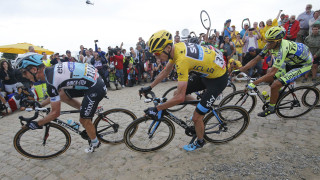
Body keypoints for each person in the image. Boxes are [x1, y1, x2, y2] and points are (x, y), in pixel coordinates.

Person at [140, 30, 227, 152]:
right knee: (178, 93)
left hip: (218, 80)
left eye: (157, 53)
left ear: (168, 47)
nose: (156, 56)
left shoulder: (182, 60)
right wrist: (150, 87)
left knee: (196, 117)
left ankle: (200, 141)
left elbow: (180, 99)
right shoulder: (176, 49)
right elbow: (165, 72)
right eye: (154, 54)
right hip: (207, 74)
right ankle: (202, 107)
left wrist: (157, 108)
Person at [15, 54, 107, 153]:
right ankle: (86, 109)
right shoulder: (50, 72)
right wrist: (40, 104)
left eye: (24, 72)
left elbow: (55, 113)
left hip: (96, 87)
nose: (24, 76)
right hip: (92, 79)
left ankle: (95, 142)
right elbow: (56, 94)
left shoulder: (51, 81)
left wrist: (38, 123)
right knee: (62, 94)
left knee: (84, 120)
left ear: (34, 70)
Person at [237, 26, 313, 117]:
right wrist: (240, 69)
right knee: (269, 73)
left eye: (270, 41)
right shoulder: (271, 44)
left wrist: (254, 83)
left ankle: (272, 108)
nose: (267, 43)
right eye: (267, 40)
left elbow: (273, 73)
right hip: (290, 61)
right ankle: (280, 92)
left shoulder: (283, 49)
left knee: (275, 84)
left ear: (278, 41)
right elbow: (256, 59)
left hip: (303, 65)